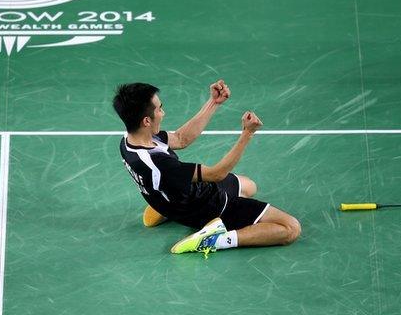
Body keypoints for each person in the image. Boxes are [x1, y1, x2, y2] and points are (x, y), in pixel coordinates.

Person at [112, 80, 301, 257]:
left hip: (177, 198)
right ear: (146, 121)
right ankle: (214, 239)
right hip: (207, 205)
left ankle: (163, 204)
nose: (163, 113)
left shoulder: (130, 140)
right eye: (160, 109)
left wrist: (214, 102)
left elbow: (180, 138)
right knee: (290, 229)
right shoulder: (160, 165)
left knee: (249, 186)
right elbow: (217, 174)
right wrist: (247, 133)